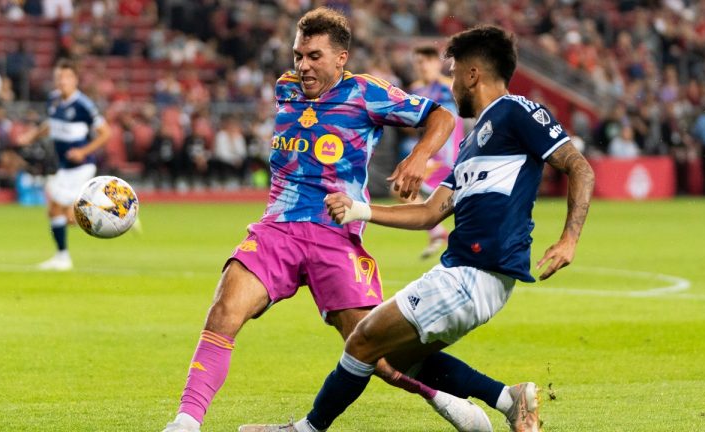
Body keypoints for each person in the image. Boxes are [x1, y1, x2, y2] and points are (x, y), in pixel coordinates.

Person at [162, 7, 508, 432]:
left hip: (335, 234)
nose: (302, 66)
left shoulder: (366, 93)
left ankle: (459, 403)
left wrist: (419, 157)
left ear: (341, 58)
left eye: (314, 56)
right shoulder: (285, 88)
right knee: (222, 314)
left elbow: (441, 116)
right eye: (298, 55)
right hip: (277, 228)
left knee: (377, 352)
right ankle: (185, 423)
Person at [247, 24, 595, 432]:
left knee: (361, 340)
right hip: (461, 272)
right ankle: (509, 398)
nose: (449, 83)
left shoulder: (516, 110)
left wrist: (570, 238)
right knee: (393, 356)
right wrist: (360, 210)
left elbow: (579, 167)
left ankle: (307, 429)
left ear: (472, 74)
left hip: (475, 274)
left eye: (452, 73)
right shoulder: (473, 144)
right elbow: (429, 213)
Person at [16, 59, 111, 271]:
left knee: (58, 210)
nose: (62, 81)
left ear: (75, 80)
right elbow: (50, 124)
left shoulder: (83, 105)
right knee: (60, 214)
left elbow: (106, 133)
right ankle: (111, 214)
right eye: (59, 77)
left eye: (67, 77)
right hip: (65, 167)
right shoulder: (53, 100)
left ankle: (113, 215)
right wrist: (32, 135)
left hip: (81, 167)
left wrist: (82, 151)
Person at [396, 46, 465, 259]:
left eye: (426, 61)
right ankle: (439, 232)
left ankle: (438, 231)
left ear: (437, 63)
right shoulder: (415, 91)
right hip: (432, 156)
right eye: (418, 62)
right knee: (400, 188)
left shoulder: (450, 87)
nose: (422, 66)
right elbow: (408, 124)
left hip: (450, 156)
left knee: (400, 187)